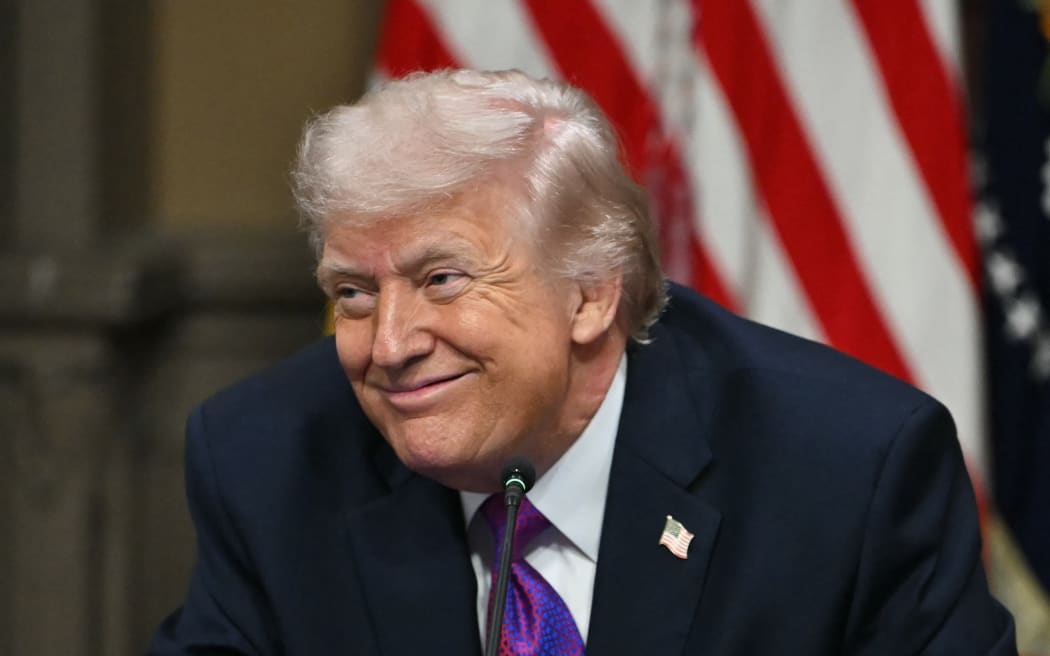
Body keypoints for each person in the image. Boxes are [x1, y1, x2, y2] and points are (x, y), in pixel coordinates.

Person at [150, 69, 1016, 655]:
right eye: (353, 293)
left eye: (443, 279)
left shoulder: (848, 471)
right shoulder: (266, 460)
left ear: (592, 294)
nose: (391, 344)